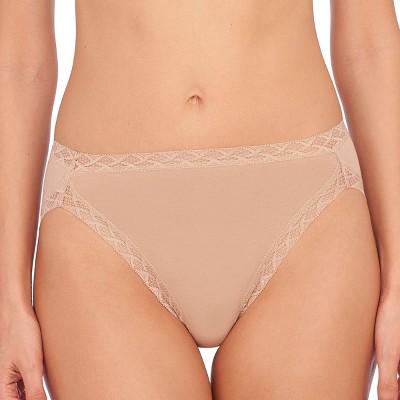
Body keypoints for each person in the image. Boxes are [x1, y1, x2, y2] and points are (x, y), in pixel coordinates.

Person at [0, 0, 399, 399]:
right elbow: (18, 60)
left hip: (310, 215)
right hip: (98, 230)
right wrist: (7, 299)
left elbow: (369, 45)